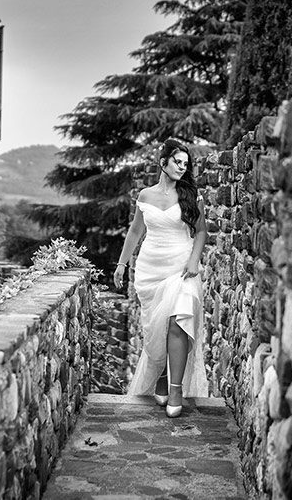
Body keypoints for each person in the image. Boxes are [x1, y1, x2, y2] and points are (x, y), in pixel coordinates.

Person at [113, 138, 210, 416]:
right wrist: (122, 264)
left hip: (181, 266)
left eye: (185, 164)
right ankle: (163, 375)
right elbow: (135, 232)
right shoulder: (145, 196)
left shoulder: (192, 195)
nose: (182, 167)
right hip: (150, 268)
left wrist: (194, 260)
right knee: (156, 329)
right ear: (162, 163)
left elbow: (201, 231)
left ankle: (176, 388)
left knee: (179, 321)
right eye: (177, 162)